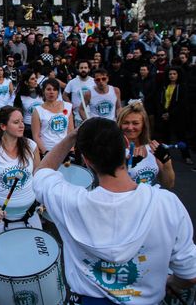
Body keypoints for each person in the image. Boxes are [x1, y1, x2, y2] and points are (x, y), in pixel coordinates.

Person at [33, 117, 196, 303]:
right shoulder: (166, 203)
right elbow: (190, 274)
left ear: (87, 161)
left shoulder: (70, 202)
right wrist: (170, 282)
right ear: (126, 145)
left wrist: (72, 136)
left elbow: (42, 172)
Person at [0, 106, 41, 240]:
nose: (22, 125)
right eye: (16, 122)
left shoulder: (31, 146)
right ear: (3, 126)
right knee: (0, 257)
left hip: (29, 212)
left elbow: (38, 177)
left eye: (22, 121)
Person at [117, 101, 175, 188]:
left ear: (143, 125)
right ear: (120, 124)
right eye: (126, 123)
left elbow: (168, 184)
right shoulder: (113, 149)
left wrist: (167, 162)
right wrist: (124, 166)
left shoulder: (152, 148)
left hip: (149, 199)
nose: (130, 127)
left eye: (135, 123)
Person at [156, 67, 193, 165]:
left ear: (178, 75)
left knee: (181, 136)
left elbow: (182, 103)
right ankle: (166, 157)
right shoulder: (164, 86)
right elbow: (160, 101)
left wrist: (170, 113)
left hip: (177, 116)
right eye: (170, 74)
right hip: (165, 114)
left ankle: (187, 156)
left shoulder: (182, 87)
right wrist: (163, 113)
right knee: (165, 137)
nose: (172, 76)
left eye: (174, 74)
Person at [32, 79, 73, 156]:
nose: (52, 92)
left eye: (55, 89)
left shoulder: (67, 106)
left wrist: (71, 148)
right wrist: (45, 152)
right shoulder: (37, 110)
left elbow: (70, 130)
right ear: (43, 91)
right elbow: (36, 135)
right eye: (48, 89)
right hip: (47, 150)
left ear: (58, 92)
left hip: (65, 149)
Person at [63, 60, 95, 127]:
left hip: (92, 115)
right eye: (81, 68)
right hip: (77, 116)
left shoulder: (94, 82)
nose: (83, 70)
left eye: (85, 68)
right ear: (78, 69)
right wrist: (70, 105)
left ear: (89, 69)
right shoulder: (72, 82)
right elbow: (65, 95)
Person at [13, 71, 43, 139]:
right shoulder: (20, 96)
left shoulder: (42, 93)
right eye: (32, 79)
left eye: (35, 78)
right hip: (28, 129)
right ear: (26, 82)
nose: (35, 80)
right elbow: (17, 113)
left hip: (42, 127)